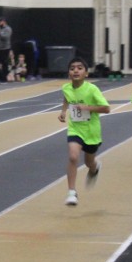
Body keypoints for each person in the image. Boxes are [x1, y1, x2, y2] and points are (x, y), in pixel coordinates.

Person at [57, 57, 109, 207]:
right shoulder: (66, 88)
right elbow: (67, 98)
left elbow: (106, 108)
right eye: (72, 68)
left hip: (91, 132)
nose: (75, 70)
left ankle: (94, 167)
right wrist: (63, 111)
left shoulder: (92, 89)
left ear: (86, 73)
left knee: (89, 162)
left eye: (80, 68)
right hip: (75, 129)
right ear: (69, 73)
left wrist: (87, 108)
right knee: (73, 156)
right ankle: (72, 192)